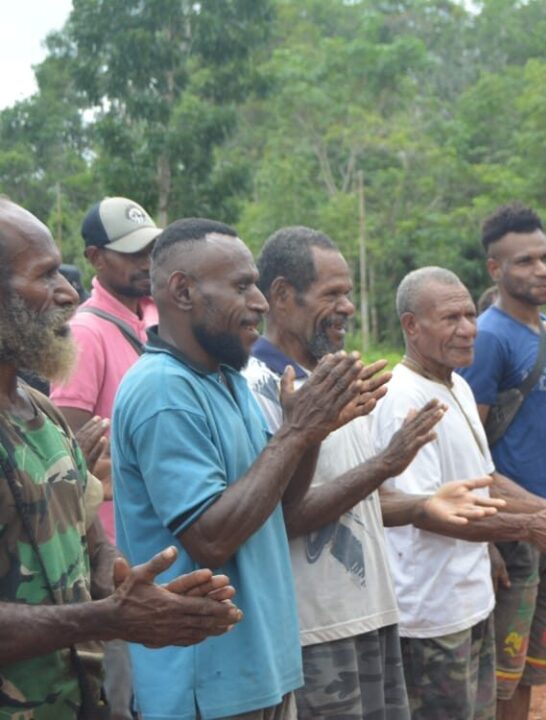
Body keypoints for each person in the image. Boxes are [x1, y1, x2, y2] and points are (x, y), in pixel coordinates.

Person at [111, 218, 382, 719]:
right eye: (241, 286)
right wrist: (295, 433)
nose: (259, 301)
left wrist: (312, 430)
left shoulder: (225, 378)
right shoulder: (163, 391)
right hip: (206, 687)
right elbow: (211, 538)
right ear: (184, 290)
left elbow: (281, 506)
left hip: (261, 672)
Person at [243, 226, 502, 719]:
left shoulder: (332, 376)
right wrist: (388, 464)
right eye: (332, 294)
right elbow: (280, 515)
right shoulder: (257, 386)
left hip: (371, 617)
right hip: (312, 630)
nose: (347, 307)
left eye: (349, 294)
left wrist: (418, 499)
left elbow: (362, 501)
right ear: (281, 296)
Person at [0, 198, 241, 717]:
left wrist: (137, 589)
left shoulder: (37, 410)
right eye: (44, 277)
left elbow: (90, 542)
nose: (68, 292)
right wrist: (108, 618)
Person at [370, 267, 546, 720]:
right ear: (412, 326)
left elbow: (487, 480)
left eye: (470, 314)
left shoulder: (458, 386)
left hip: (471, 605)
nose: (468, 328)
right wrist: (534, 526)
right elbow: (435, 512)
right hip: (431, 616)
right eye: (451, 318)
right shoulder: (403, 399)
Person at [459, 203, 546, 720]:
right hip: (513, 532)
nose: (542, 270)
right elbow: (469, 447)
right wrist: (489, 542)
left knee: (532, 668)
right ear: (495, 270)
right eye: (525, 261)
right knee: (499, 678)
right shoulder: (489, 338)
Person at [50, 195, 162, 719]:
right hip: (114, 555)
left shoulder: (148, 325)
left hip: (150, 548)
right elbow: (67, 454)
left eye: (151, 250)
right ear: (95, 258)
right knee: (126, 696)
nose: (146, 262)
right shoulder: (90, 332)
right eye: (131, 252)